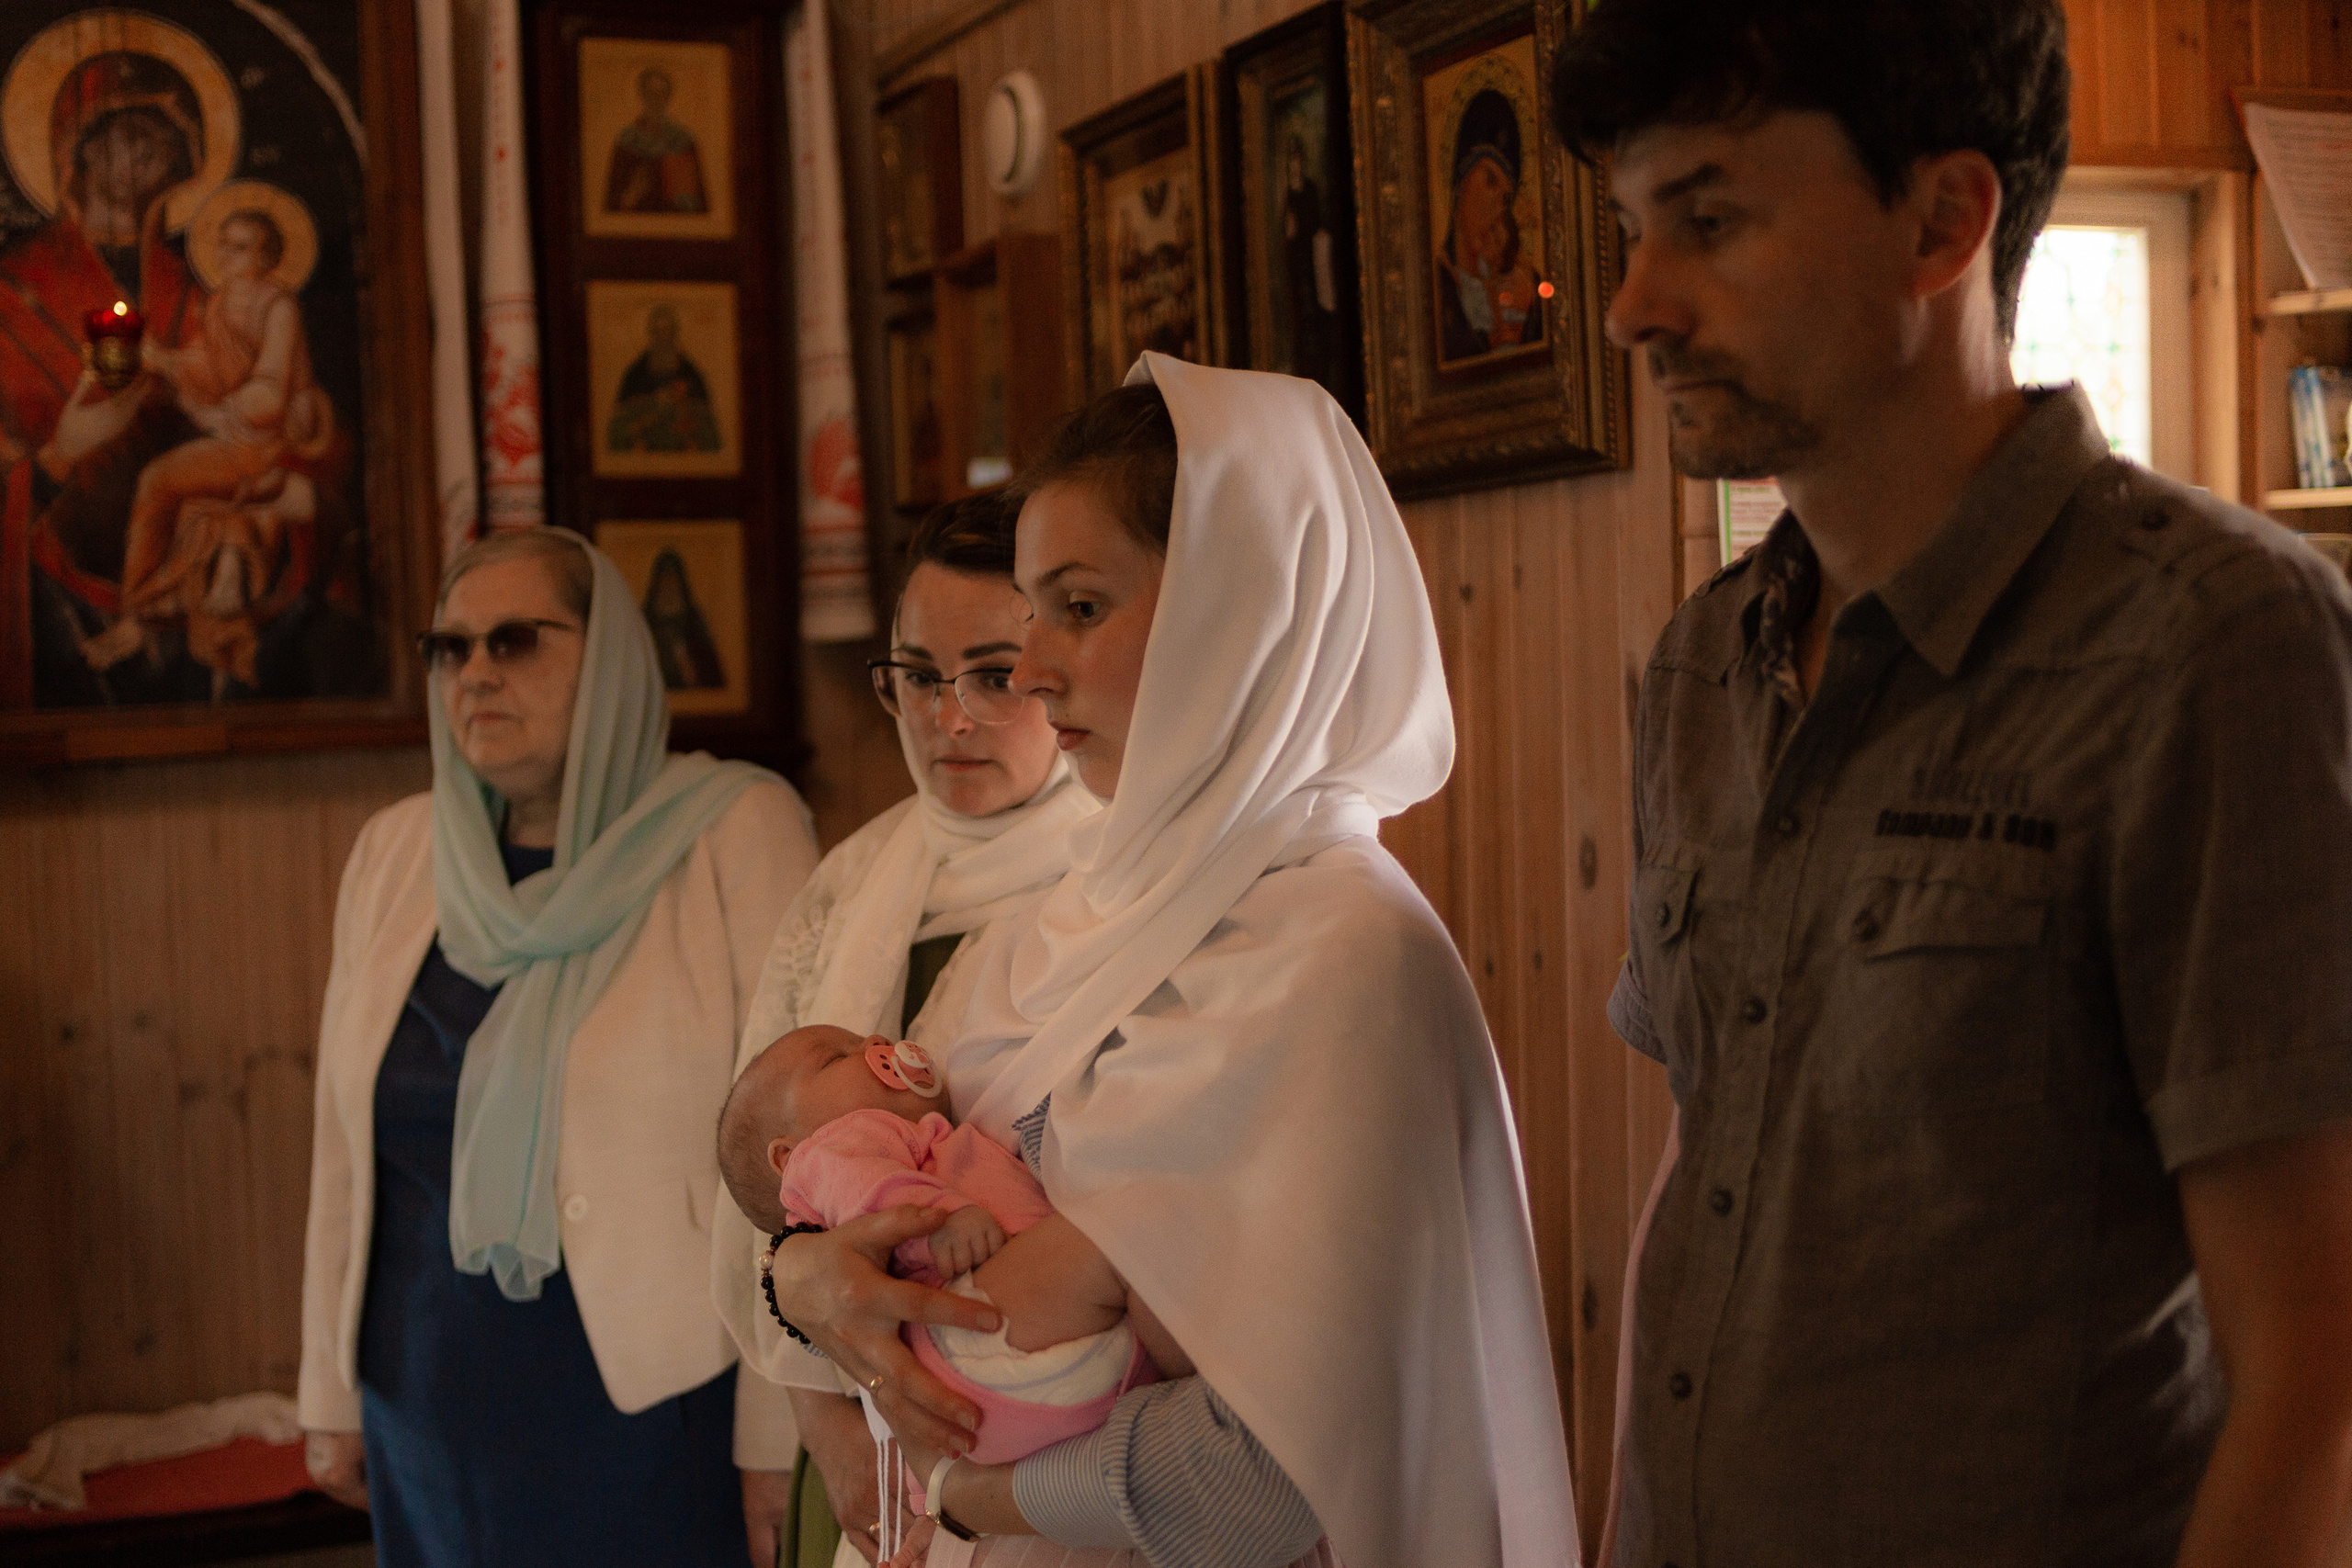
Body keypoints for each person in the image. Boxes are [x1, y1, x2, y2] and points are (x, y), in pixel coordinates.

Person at [1554, 4, 2352, 1564]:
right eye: (1629, 228)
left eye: (1708, 220)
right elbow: (1698, 1161)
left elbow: (2317, 1375)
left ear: (1943, 219)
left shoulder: (2214, 644)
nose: (1632, 305)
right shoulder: (1704, 666)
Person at [764, 357, 1577, 1568]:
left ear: (1239, 607)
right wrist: (807, 1276)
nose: (1034, 669)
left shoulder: (1352, 958)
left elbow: (1270, 1470)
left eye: (1080, 608)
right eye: (1032, 611)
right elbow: (876, 1188)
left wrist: (967, 1488)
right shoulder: (1062, 920)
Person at [297, 527, 822, 1567]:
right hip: (423, 1394)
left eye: (515, 640)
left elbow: (796, 1167)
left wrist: (780, 1427)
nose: (476, 673)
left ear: (614, 653)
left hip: (649, 1399)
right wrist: (328, 1387)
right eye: (450, 649)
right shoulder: (399, 851)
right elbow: (343, 1151)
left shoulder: (734, 831)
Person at [714, 491, 1095, 1567]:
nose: (947, 717)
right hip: (846, 1416)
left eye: (991, 672)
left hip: (1047, 1420)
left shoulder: (1119, 879)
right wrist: (826, 1425)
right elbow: (760, 1170)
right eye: (917, 677)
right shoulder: (851, 883)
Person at [719, 1026, 1174, 1468]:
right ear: (787, 1156)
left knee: (1136, 1262)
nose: (876, 1044)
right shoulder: (829, 1150)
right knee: (1125, 1237)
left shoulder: (932, 1140)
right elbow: (873, 1195)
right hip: (965, 1331)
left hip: (990, 1379)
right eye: (838, 1057)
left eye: (869, 1039)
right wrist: (937, 1220)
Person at [0, 51, 210, 707]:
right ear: (77, 148)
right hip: (50, 582)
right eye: (123, 135)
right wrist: (65, 451)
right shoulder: (15, 287)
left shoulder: (189, 291)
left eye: (158, 142)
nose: (138, 157)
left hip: (179, 580)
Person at [87, 207, 334, 674]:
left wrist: (222, 413)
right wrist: (161, 360)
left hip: (263, 444)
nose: (224, 253)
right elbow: (202, 365)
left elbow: (270, 390)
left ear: (267, 256)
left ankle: (137, 609)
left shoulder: (277, 306)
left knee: (158, 481)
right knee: (166, 483)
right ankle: (151, 607)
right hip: (233, 437)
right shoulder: (220, 304)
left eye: (238, 246)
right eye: (222, 242)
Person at [1434, 87, 1543, 365]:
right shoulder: (1437, 286)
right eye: (1490, 180)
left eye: (1506, 198)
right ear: (1460, 184)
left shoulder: (1526, 288)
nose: (1498, 207)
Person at [605, 65, 709, 214]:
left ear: (668, 97)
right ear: (642, 95)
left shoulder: (683, 141)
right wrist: (630, 196)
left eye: (661, 94)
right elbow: (612, 206)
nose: (656, 100)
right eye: (651, 94)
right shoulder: (626, 142)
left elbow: (698, 207)